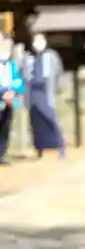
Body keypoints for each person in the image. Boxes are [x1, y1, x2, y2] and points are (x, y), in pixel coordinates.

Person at [22, 33, 66, 159]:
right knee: (36, 121)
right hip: (32, 91)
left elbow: (59, 72)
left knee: (51, 119)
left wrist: (58, 88)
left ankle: (60, 146)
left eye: (41, 40)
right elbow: (23, 74)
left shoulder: (52, 56)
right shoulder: (27, 57)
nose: (38, 43)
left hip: (46, 90)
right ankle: (39, 148)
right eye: (36, 40)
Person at [0, 34, 24, 165]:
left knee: (5, 128)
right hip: (2, 98)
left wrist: (17, 92)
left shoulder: (11, 65)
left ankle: (1, 155)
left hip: (9, 101)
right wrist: (3, 93)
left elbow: (17, 80)